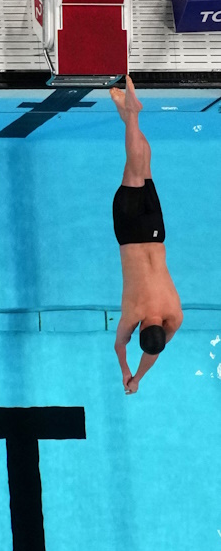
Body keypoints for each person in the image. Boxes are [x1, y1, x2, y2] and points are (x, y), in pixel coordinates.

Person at [110, 76, 181, 394]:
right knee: (135, 165)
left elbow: (154, 350)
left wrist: (140, 377)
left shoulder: (174, 316)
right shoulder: (133, 315)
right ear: (141, 327)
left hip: (155, 233)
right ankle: (132, 113)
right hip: (129, 232)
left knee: (143, 163)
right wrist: (127, 373)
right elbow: (120, 346)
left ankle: (128, 116)